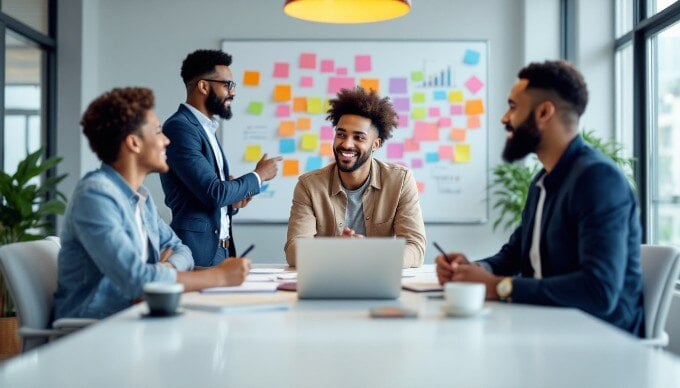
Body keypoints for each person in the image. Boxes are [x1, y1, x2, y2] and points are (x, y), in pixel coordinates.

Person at [436, 60, 644, 336]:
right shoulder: (543, 180)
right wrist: (475, 269)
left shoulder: (597, 179)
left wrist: (498, 286)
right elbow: (515, 254)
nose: (504, 118)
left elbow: (599, 291)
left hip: (599, 343)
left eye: (513, 106)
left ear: (544, 112)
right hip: (549, 328)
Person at [54, 87, 250, 319]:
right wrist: (221, 277)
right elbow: (137, 280)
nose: (166, 140)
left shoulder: (141, 198)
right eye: (158, 132)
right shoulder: (95, 197)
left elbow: (182, 249)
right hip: (94, 330)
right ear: (134, 143)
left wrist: (164, 269)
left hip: (138, 318)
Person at [161, 49, 282, 267]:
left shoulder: (206, 129)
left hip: (221, 250)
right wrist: (259, 176)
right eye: (227, 85)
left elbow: (209, 196)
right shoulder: (180, 128)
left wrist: (232, 203)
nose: (233, 92)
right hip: (196, 253)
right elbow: (214, 193)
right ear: (204, 86)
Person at [285, 87, 426, 268]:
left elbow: (415, 248)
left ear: (375, 144)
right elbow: (293, 251)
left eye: (359, 138)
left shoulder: (400, 181)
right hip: (328, 281)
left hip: (377, 280)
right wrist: (336, 249)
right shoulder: (309, 185)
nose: (346, 144)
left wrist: (369, 255)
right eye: (341, 134)